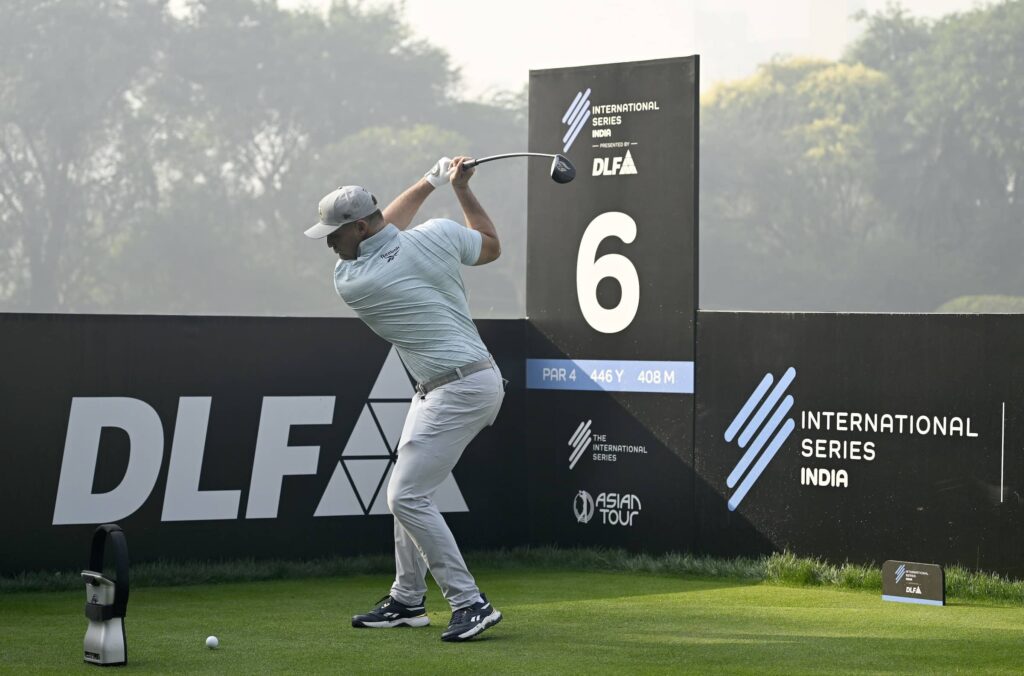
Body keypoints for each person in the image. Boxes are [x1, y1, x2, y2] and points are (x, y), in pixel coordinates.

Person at [303, 156, 505, 642]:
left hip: (460, 388)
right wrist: (457, 189)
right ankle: (408, 599)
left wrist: (428, 183)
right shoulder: (438, 234)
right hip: (449, 385)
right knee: (410, 494)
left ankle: (470, 602)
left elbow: (388, 232)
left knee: (405, 495)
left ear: (358, 227)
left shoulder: (356, 279)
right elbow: (490, 244)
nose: (329, 243)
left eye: (334, 233)